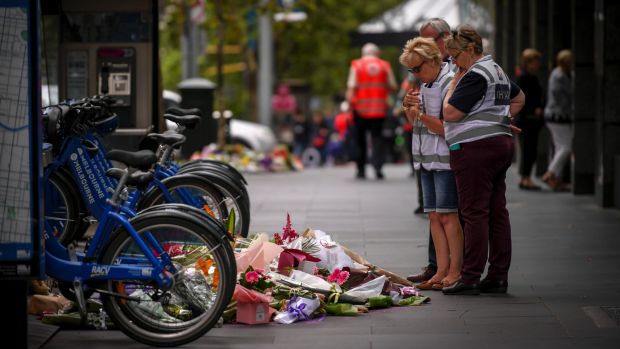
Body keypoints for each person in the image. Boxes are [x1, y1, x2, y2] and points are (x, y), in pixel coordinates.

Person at [441, 24, 525, 295]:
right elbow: (520, 97)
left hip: (475, 149)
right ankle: (498, 275)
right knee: (497, 212)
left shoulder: (475, 74)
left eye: (455, 56)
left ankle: (470, 276)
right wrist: (503, 119)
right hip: (499, 144)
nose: (454, 62)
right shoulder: (496, 69)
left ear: (469, 50)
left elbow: (451, 114)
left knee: (474, 212)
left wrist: (452, 86)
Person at [400, 37, 463, 290]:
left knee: (448, 216)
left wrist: (419, 115)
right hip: (426, 159)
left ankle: (455, 271)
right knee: (435, 216)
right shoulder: (427, 83)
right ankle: (441, 270)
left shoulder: (449, 82)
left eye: (418, 68)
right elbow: (417, 122)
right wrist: (409, 108)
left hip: (445, 160)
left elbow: (448, 129)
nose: (415, 74)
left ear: (434, 60)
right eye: (411, 70)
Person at [346, 42, 398, 180]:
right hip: (379, 110)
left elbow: (351, 88)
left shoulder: (357, 65)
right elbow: (393, 86)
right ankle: (378, 168)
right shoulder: (384, 65)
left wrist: (349, 106)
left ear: (363, 53)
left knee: (360, 140)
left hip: (360, 110)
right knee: (378, 140)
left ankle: (361, 170)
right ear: (377, 53)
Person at [541, 49, 573, 192]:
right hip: (558, 116)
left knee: (560, 147)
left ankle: (556, 180)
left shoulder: (563, 74)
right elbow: (564, 97)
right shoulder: (559, 76)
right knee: (565, 148)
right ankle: (551, 173)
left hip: (557, 116)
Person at [516, 48, 545, 190]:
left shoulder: (527, 77)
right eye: (535, 61)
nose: (538, 64)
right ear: (528, 63)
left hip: (527, 120)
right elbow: (524, 98)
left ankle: (525, 178)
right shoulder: (527, 78)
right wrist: (535, 109)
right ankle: (526, 178)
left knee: (528, 150)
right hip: (528, 120)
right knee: (529, 150)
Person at [394, 74, 424, 213]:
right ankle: (422, 201)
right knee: (416, 159)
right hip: (410, 126)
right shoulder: (409, 87)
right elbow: (399, 105)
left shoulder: (428, 85)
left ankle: (423, 202)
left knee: (420, 162)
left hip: (421, 127)